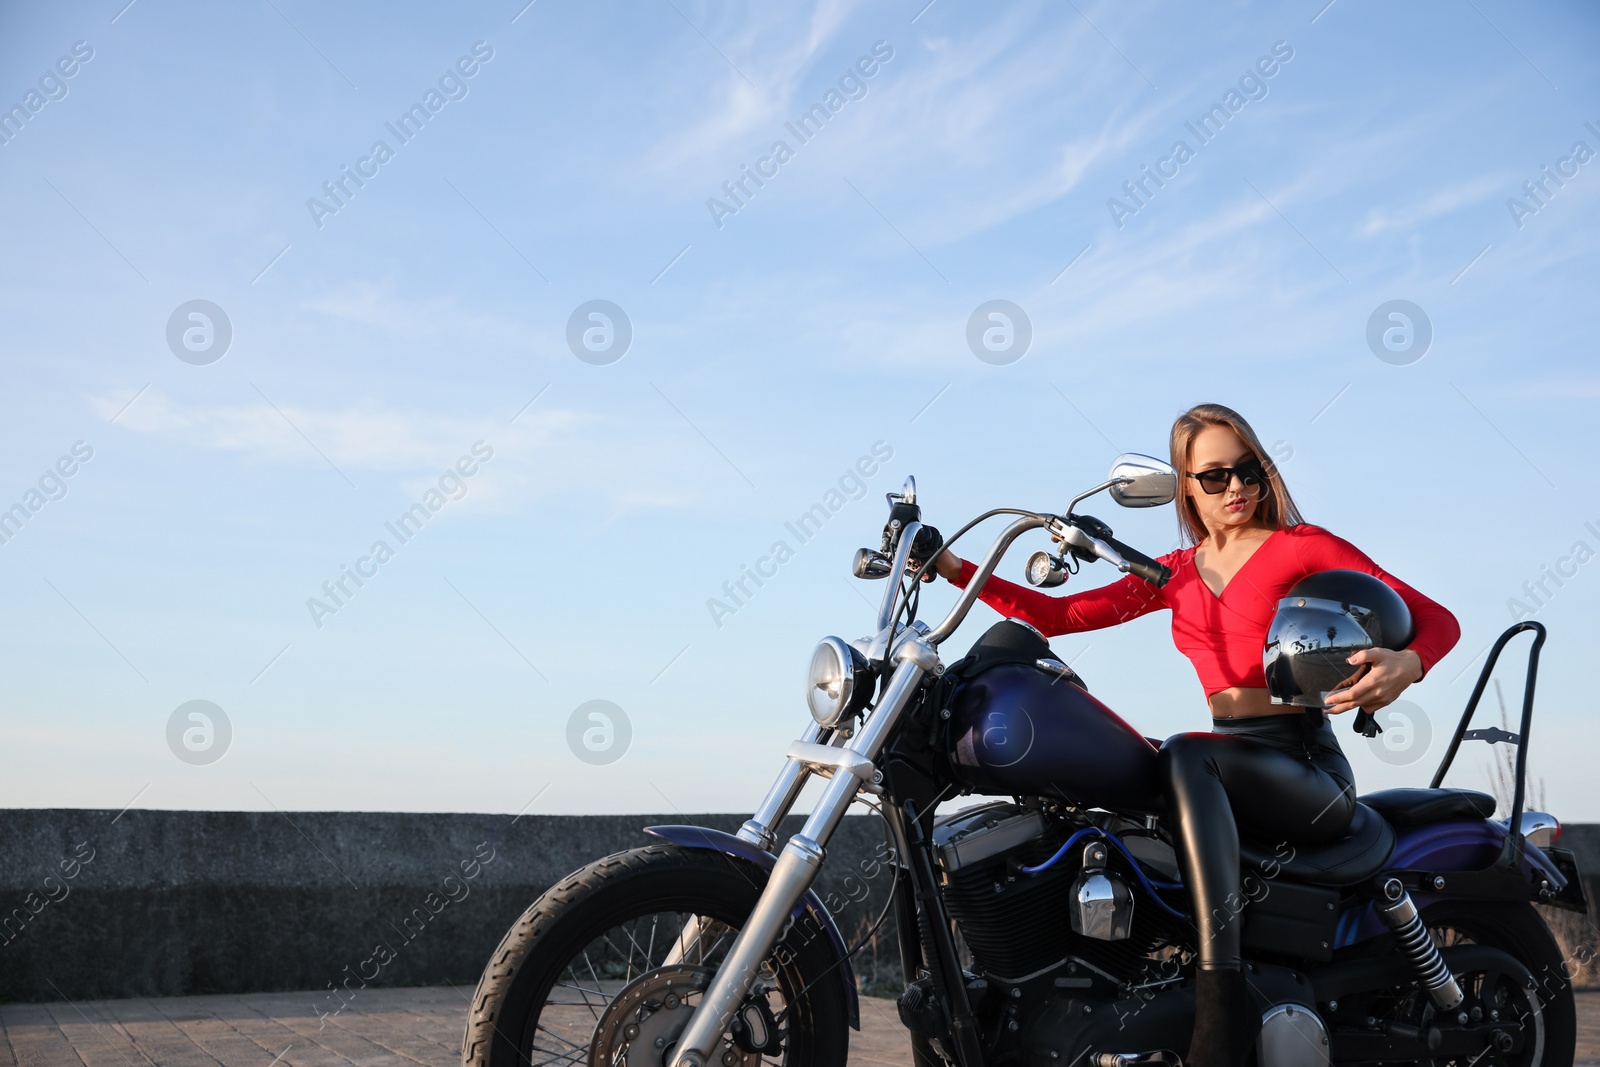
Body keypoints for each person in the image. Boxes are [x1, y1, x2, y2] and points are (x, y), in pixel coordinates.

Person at [932, 402, 1459, 1067]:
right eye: (1214, 477)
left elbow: (1435, 616)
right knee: (1128, 775)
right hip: (1227, 758)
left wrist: (1407, 664)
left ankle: (1220, 1005)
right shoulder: (1175, 572)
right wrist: (955, 569)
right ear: (1185, 487)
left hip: (1303, 766)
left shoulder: (1302, 547)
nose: (1234, 487)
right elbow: (1058, 613)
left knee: (1183, 753)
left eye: (1247, 470)